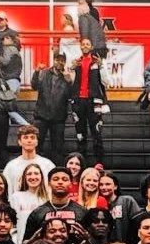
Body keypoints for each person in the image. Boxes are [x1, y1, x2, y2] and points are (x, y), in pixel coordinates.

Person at [69, 37, 109, 165]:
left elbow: (106, 82)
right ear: (80, 47)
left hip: (94, 102)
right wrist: (72, 69)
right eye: (83, 44)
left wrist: (101, 66)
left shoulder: (99, 62)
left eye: (88, 44)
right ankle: (81, 163)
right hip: (78, 101)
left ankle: (99, 163)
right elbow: (70, 81)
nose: (85, 46)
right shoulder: (76, 62)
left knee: (96, 132)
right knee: (80, 133)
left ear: (91, 47)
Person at [31, 54, 71, 161]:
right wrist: (36, 72)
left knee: (58, 148)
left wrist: (69, 82)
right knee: (37, 144)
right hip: (41, 115)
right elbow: (34, 86)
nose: (60, 63)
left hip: (59, 117)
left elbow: (71, 95)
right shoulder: (44, 73)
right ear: (53, 60)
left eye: (62, 61)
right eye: (58, 60)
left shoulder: (67, 75)